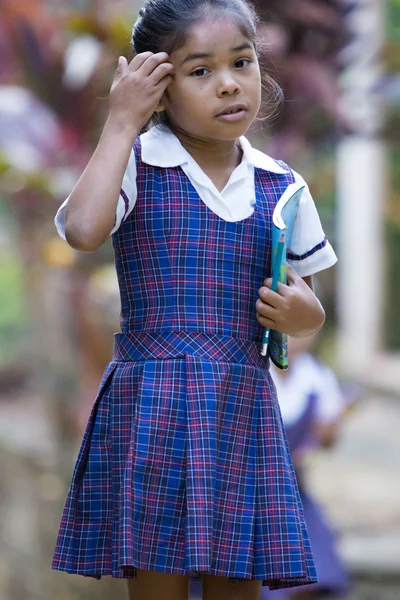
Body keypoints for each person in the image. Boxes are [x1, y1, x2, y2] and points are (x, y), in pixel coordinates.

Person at [52, 1, 338, 599]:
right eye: (200, 70)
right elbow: (81, 231)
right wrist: (120, 122)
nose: (230, 82)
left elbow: (309, 305)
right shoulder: (135, 164)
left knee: (238, 584)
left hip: (241, 409)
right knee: (158, 584)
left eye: (242, 61)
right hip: (151, 410)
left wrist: (300, 314)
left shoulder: (281, 186)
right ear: (159, 88)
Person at [262, 336, 355, 600]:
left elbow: (327, 441)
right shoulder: (255, 371)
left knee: (311, 567)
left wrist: (331, 427)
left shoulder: (317, 378)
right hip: (253, 489)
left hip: (294, 493)